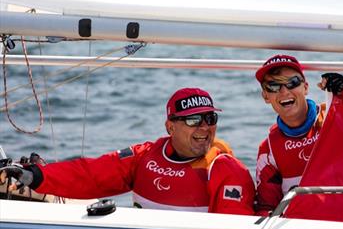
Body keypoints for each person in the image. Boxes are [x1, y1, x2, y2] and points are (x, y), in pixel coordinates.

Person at [0, 87, 255, 215]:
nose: (204, 127)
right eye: (192, 120)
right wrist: (36, 175)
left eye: (210, 118)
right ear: (170, 126)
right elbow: (91, 174)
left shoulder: (226, 171)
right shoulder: (145, 156)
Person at [254, 54, 343, 215]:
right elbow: (266, 208)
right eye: (273, 86)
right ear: (265, 96)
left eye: (292, 83)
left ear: (305, 87)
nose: (284, 91)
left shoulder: (335, 117)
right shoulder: (268, 150)